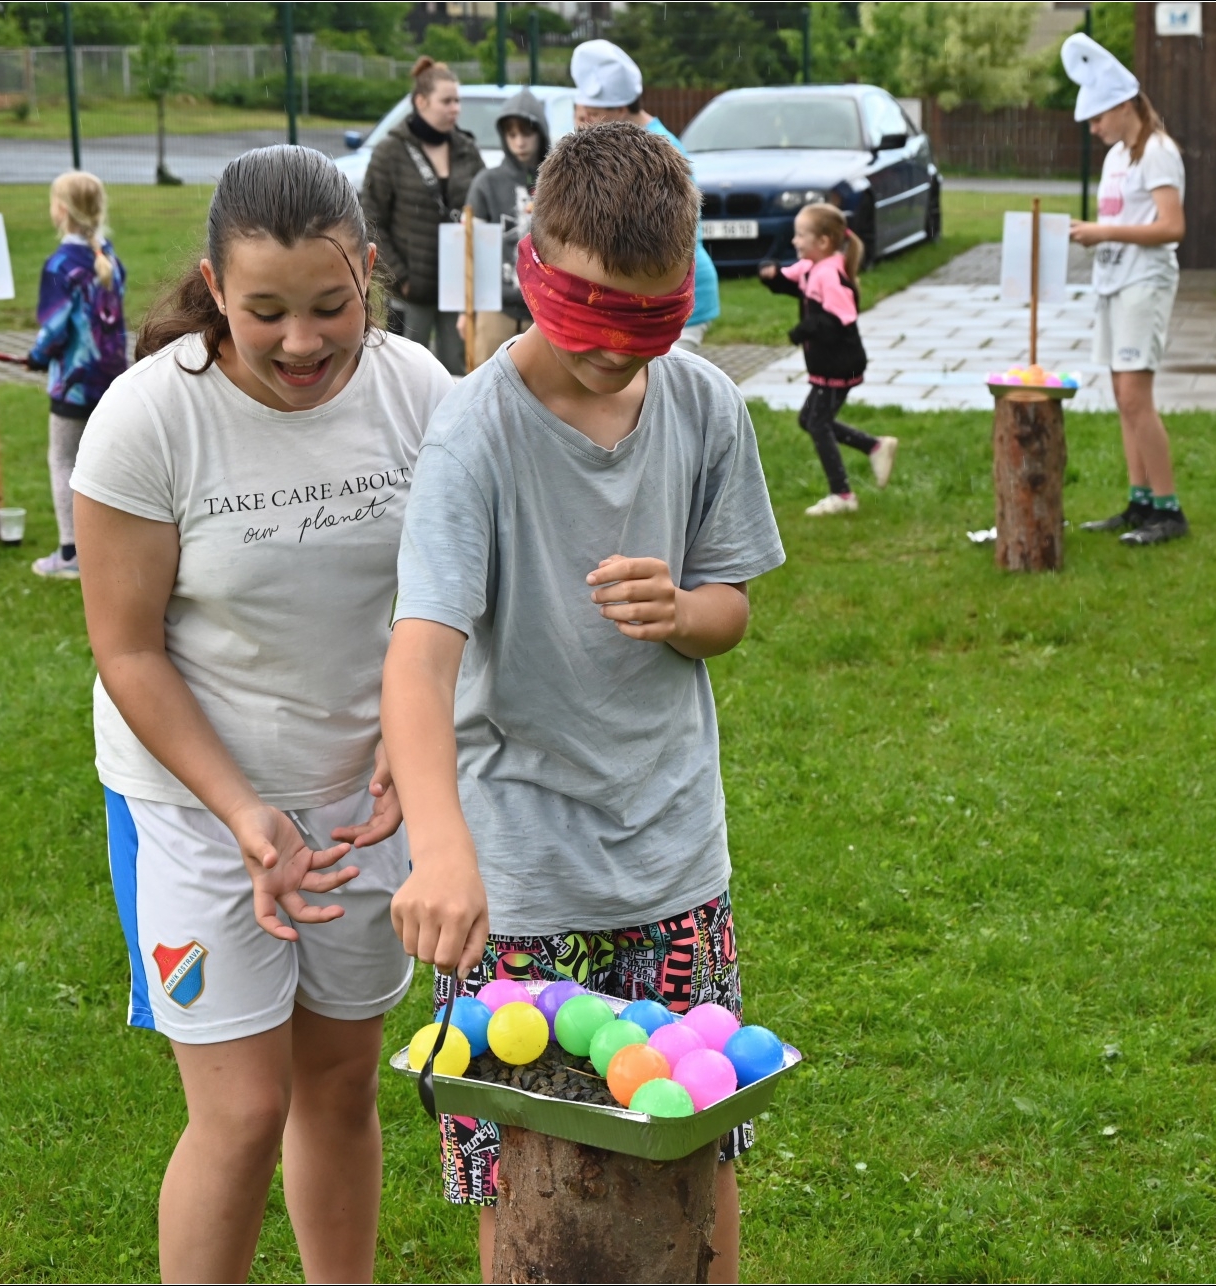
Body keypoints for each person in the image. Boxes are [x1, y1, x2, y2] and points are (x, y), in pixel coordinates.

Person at [382, 123, 784, 1284]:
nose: (614, 348)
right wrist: (442, 850)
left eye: (648, 320)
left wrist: (683, 609)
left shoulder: (705, 407)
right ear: (531, 265)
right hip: (519, 877)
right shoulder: (475, 433)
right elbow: (418, 660)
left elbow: (731, 607)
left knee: (694, 1139)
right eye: (589, 310)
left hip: (673, 859)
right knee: (522, 1171)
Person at [69, 146, 456, 1282]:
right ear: (212, 286)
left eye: (331, 306)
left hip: (356, 804)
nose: (301, 343)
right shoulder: (149, 418)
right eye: (265, 312)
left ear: (370, 271)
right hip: (193, 805)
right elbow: (127, 649)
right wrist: (243, 814)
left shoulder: (419, 391)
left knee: (340, 1083)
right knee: (240, 1111)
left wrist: (408, 740)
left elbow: (451, 600)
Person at [1063, 32, 1190, 547]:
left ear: (1122, 106)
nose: (1093, 129)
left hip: (1145, 282)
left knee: (1137, 397)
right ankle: (1140, 502)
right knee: (1122, 397)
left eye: (1097, 119)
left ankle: (1169, 509)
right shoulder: (1118, 156)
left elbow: (1172, 226)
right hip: (1114, 281)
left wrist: (1104, 232)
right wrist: (1094, 235)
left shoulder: (1158, 152)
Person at [569, 39, 720, 347]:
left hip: (673, 296)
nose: (588, 123)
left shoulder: (659, 149)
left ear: (621, 108)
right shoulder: (624, 142)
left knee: (664, 377)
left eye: (593, 113)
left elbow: (672, 236)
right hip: (648, 294)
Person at [758, 202, 897, 516]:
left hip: (840, 364)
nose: (794, 240)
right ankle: (874, 446)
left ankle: (843, 494)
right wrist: (770, 274)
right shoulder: (812, 267)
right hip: (829, 364)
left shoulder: (830, 274)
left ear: (823, 241)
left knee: (817, 422)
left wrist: (803, 330)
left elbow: (841, 318)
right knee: (809, 419)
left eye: (800, 235)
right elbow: (790, 281)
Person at [22, 170, 127, 580]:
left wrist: (36, 356)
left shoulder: (61, 265)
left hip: (74, 383)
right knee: (102, 461)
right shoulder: (108, 256)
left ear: (61, 211)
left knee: (64, 459)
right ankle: (113, 545)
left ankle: (72, 553)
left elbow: (55, 327)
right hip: (112, 378)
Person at [360, 56, 483, 370]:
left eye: (457, 101)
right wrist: (401, 277)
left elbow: (484, 207)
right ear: (421, 102)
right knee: (403, 370)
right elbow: (371, 220)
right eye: (447, 101)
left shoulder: (466, 149)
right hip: (410, 291)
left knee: (458, 369)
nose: (455, 108)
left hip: (458, 286)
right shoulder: (390, 152)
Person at [463, 87, 547, 365]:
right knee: (486, 381)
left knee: (542, 385)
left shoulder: (557, 181)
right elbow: (469, 250)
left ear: (541, 132)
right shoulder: (486, 183)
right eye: (511, 134)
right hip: (495, 304)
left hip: (545, 306)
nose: (519, 142)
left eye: (526, 133)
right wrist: (465, 310)